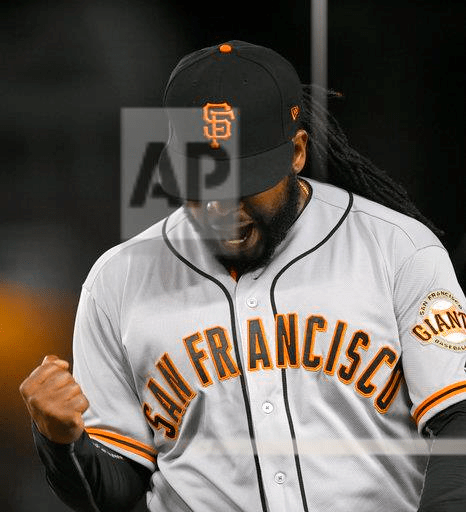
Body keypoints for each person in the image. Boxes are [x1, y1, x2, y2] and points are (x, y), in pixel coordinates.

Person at [20, 40, 466, 512]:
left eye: (241, 184)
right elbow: (114, 490)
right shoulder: (118, 281)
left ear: (296, 152)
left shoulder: (396, 248)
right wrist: (61, 442)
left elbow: (456, 422)